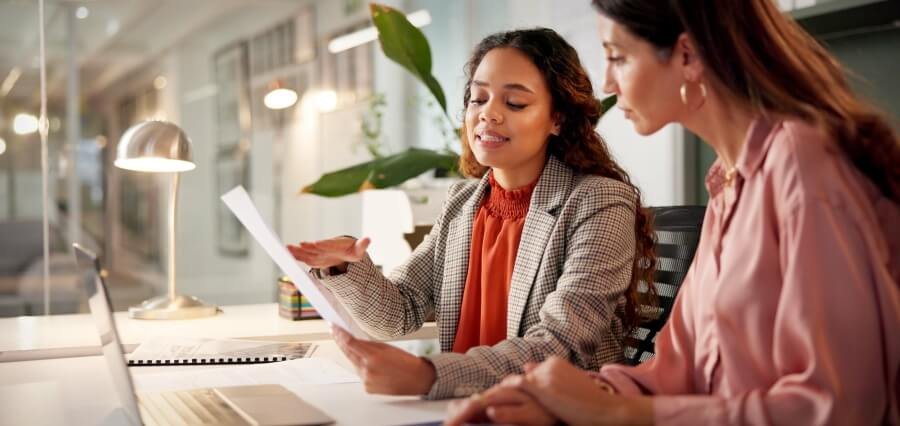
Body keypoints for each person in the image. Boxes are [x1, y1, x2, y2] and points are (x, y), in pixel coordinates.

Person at [446, 0, 900, 424]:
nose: (608, 83)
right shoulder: (728, 184)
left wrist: (617, 413)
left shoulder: (801, 165)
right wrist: (564, 397)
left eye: (618, 57)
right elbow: (674, 371)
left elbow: (840, 406)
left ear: (686, 56)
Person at [287, 28, 656, 400]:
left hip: (553, 410)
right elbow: (400, 313)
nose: (488, 114)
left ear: (557, 119)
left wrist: (427, 375)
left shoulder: (599, 200)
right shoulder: (462, 202)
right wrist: (345, 265)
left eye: (515, 103)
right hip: (464, 406)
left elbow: (560, 345)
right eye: (478, 98)